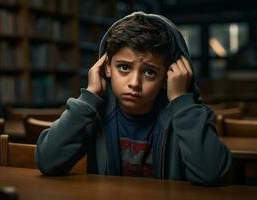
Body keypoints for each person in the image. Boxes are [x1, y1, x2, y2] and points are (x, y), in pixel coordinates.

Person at [36, 11, 231, 185]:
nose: (134, 83)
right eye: (124, 67)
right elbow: (48, 162)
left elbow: (210, 174)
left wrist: (182, 101)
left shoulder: (186, 114)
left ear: (168, 77)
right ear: (106, 68)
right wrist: (89, 98)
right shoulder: (93, 112)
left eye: (149, 72)